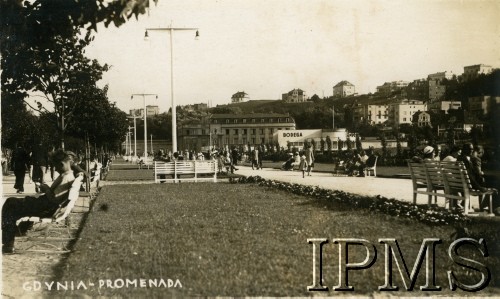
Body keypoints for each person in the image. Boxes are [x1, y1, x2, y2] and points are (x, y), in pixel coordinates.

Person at [2, 150, 82, 254]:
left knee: (10, 203)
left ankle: (8, 243)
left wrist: (46, 189)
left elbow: (54, 200)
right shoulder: (68, 175)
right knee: (16, 203)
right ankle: (18, 229)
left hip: (45, 208)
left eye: (55, 166)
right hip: (45, 206)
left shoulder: (66, 177)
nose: (55, 169)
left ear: (62, 164)